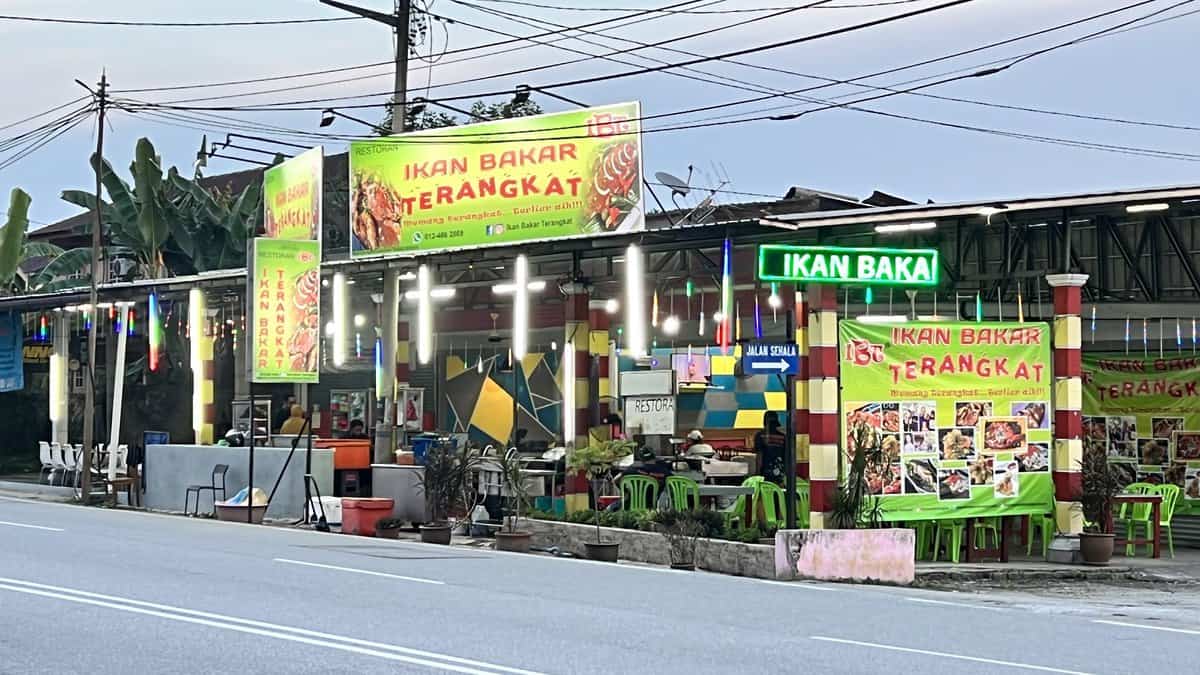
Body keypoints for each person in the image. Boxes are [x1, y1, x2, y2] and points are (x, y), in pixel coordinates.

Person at [754, 411, 787, 485]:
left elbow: (759, 456)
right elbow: (786, 457)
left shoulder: (760, 436)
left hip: (765, 472)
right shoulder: (783, 437)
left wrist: (757, 474)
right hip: (779, 471)